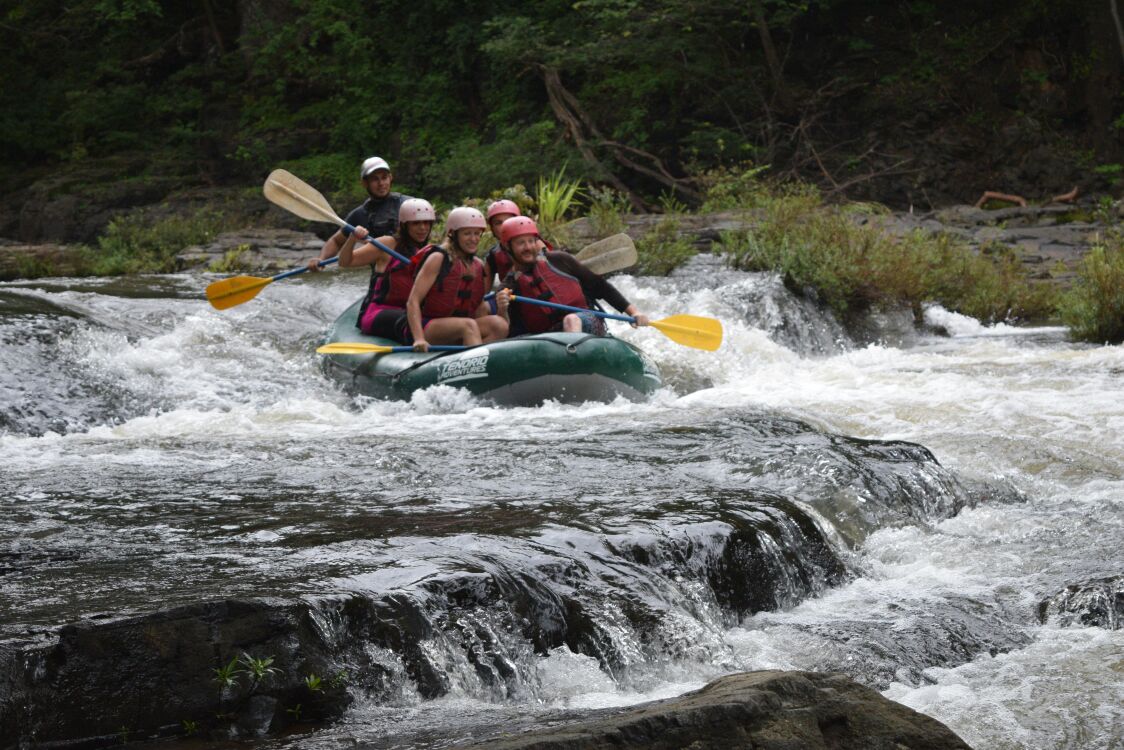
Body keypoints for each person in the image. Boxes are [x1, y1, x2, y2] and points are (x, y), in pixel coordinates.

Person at [499, 216, 650, 335]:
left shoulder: (558, 260)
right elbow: (511, 330)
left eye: (531, 241)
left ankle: (574, 357)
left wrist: (634, 312)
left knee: (571, 320)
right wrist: (502, 309)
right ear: (508, 247)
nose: (528, 247)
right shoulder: (508, 287)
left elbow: (601, 287)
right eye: (521, 243)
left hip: (586, 320)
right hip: (549, 337)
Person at [406, 207, 510, 352]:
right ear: (453, 234)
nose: (473, 239)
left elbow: (478, 307)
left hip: (461, 326)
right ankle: (477, 365)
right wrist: (419, 338)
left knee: (499, 324)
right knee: (468, 325)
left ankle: (466, 357)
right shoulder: (438, 258)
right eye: (467, 233)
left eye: (477, 234)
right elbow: (413, 301)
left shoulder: (478, 265)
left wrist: (502, 311)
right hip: (428, 326)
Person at [338, 198, 436, 338]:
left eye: (426, 223)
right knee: (418, 322)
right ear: (404, 225)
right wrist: (352, 238)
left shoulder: (430, 251)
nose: (422, 228)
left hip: (411, 312)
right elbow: (345, 262)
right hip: (378, 312)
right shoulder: (387, 244)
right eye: (416, 223)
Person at [305, 156, 410, 271]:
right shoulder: (359, 215)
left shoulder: (407, 204)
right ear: (365, 183)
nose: (381, 183)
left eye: (384, 178)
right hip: (381, 277)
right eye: (375, 179)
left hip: (410, 271)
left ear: (390, 178)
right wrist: (321, 258)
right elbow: (336, 241)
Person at [483, 199, 522, 287]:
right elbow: (483, 293)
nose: (505, 225)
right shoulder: (492, 256)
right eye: (498, 223)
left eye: (509, 220)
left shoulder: (535, 244)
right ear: (492, 228)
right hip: (510, 299)